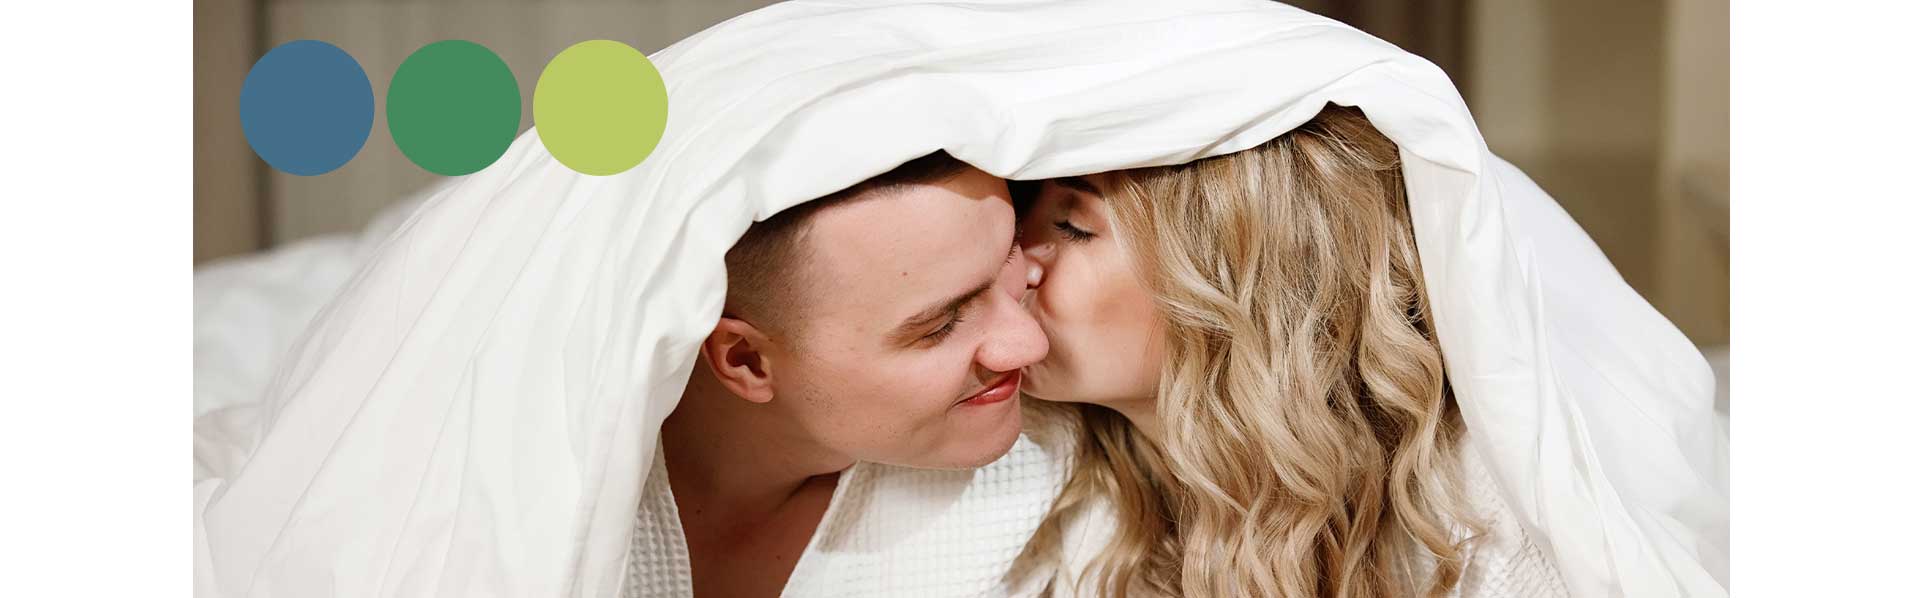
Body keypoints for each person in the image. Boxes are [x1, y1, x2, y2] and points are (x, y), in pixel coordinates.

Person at [1014, 106, 1721, 597]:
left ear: (1240, 282)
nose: (1018, 258)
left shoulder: (1476, 518)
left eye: (1073, 225)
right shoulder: (1075, 476)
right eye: (1025, 208)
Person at [653, 150, 1051, 596]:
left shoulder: (1054, 490)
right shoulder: (572, 509)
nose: (1031, 343)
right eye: (941, 326)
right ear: (746, 360)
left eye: (1009, 255)